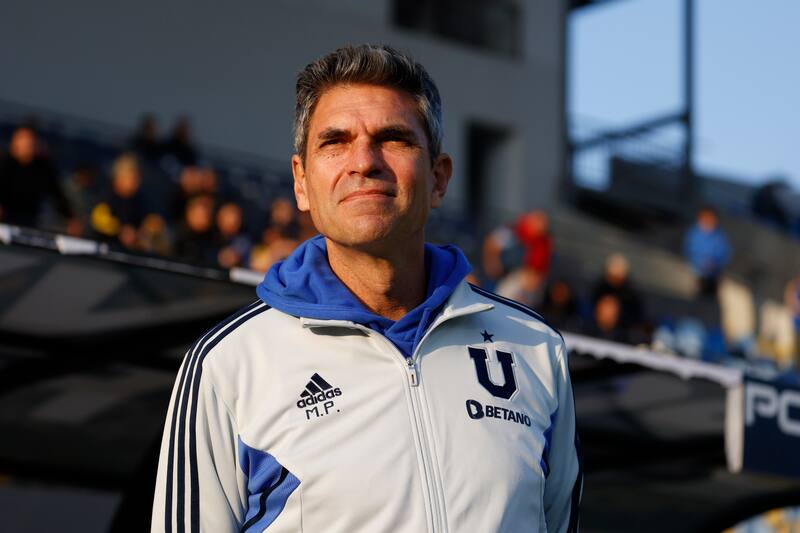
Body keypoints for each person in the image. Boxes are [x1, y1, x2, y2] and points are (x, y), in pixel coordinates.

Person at [151, 44, 581, 533]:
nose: (364, 161)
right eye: (335, 142)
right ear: (302, 183)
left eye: (393, 138)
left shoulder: (536, 350)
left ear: (439, 179)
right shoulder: (229, 365)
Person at [0, 124, 80, 234]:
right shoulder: (4, 162)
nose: (28, 144)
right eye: (24, 140)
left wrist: (70, 218)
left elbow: (57, 195)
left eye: (31, 141)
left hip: (29, 219)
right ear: (15, 141)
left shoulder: (43, 168)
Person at [683, 206, 731, 297]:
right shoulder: (694, 233)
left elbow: (725, 254)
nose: (709, 221)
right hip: (696, 274)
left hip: (713, 277)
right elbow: (688, 251)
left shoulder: (719, 236)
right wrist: (700, 263)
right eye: (706, 218)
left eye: (712, 219)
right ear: (700, 219)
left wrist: (715, 264)